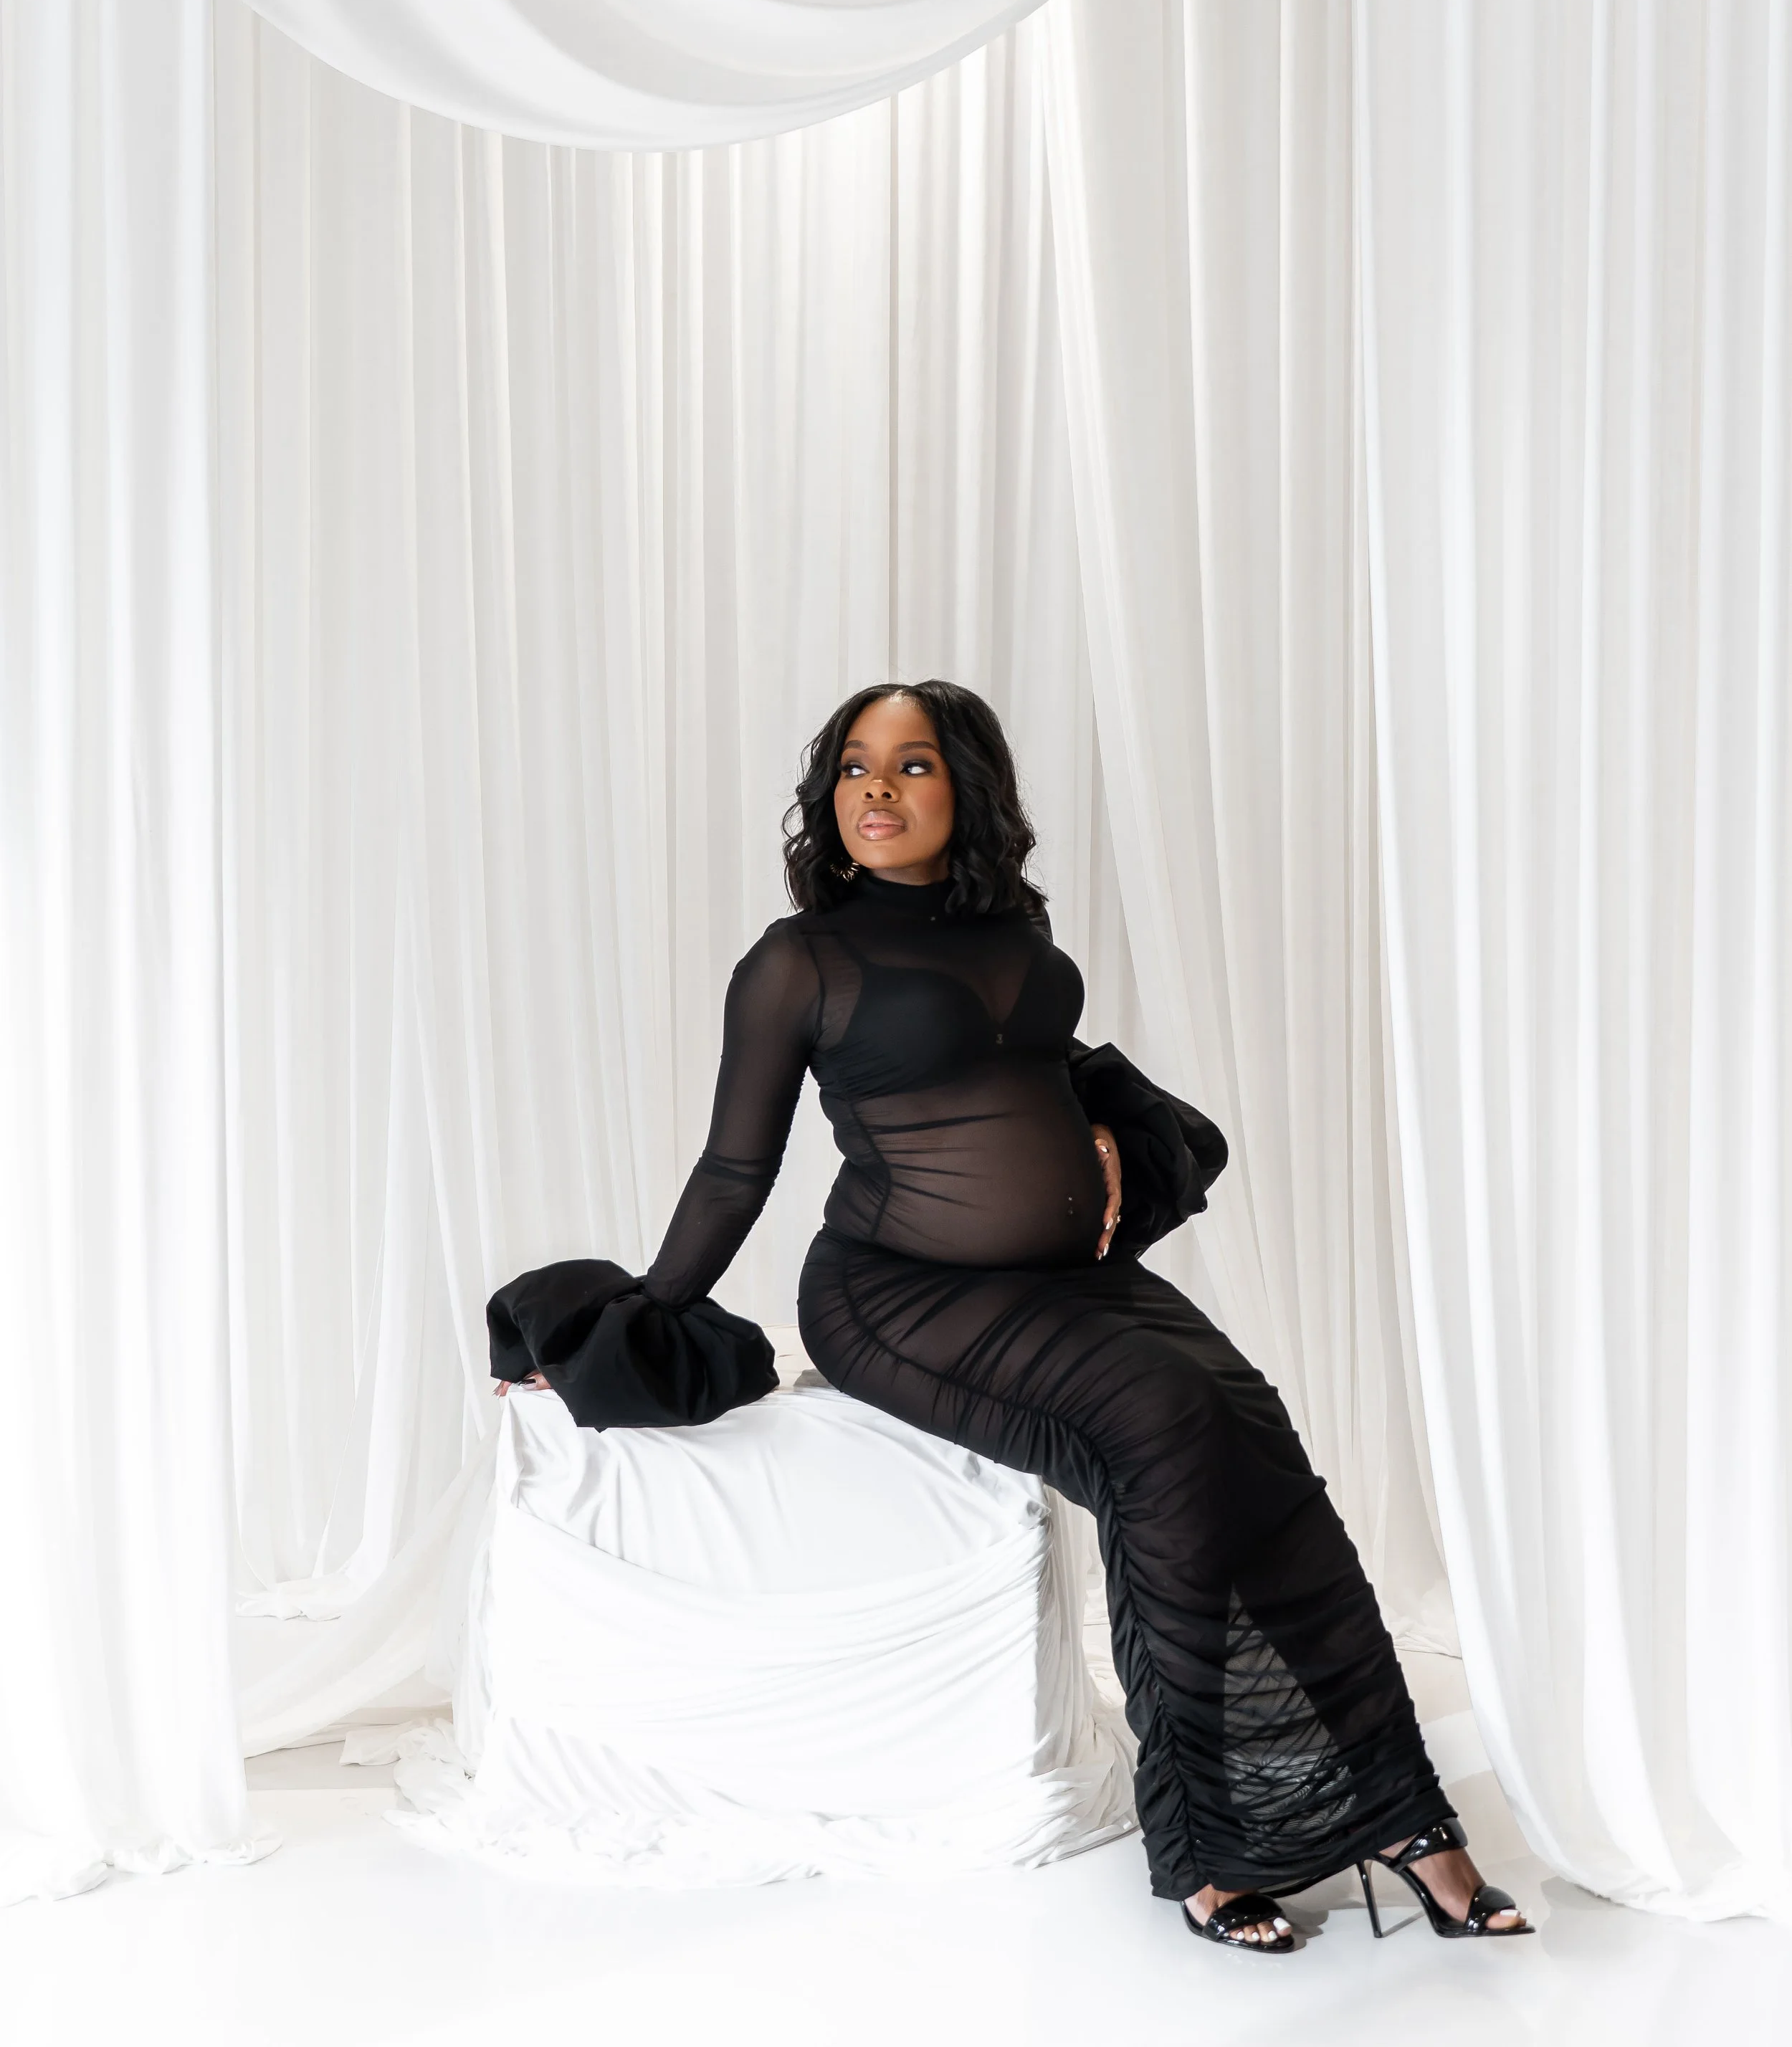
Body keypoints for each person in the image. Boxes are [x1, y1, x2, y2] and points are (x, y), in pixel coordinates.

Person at [504, 679, 1529, 1952]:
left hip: (1064, 1284)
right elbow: (735, 1170)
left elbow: (1044, 1076)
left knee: (1252, 1437)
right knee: (1162, 1430)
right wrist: (637, 1319)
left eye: (914, 764)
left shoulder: (1026, 947)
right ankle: (1210, 1843)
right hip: (895, 1294)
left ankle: (1397, 1813)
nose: (876, 790)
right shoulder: (798, 960)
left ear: (966, 789)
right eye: (855, 767)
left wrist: (1100, 1127)